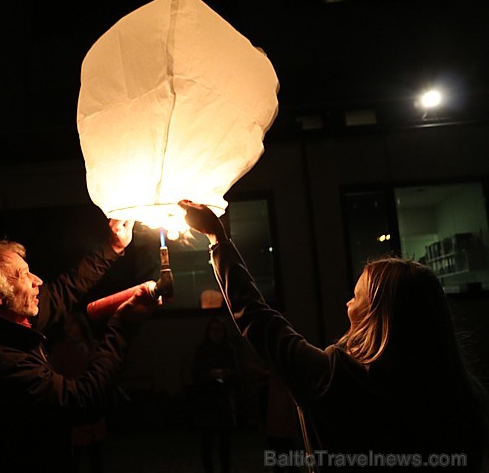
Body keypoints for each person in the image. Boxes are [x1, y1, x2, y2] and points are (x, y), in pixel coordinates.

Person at [178, 199, 488, 472]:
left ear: (376, 316)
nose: (347, 304)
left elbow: (257, 317)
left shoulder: (335, 377)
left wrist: (217, 238)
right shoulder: (464, 398)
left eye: (356, 298)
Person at [0, 219, 161, 472]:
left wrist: (113, 247)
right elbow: (83, 402)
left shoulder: (13, 323)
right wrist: (123, 323)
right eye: (22, 276)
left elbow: (67, 288)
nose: (37, 280)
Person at [49, 312, 107, 473]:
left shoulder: (92, 347)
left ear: (80, 325)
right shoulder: (60, 349)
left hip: (92, 406)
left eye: (72, 324)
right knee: (73, 455)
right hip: (72, 406)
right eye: (66, 324)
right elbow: (54, 376)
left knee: (95, 455)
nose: (68, 328)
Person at [191, 317, 242, 473]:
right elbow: (196, 374)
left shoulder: (229, 350)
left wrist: (224, 374)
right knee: (206, 444)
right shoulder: (201, 350)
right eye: (213, 330)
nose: (216, 334)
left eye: (219, 330)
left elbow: (238, 373)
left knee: (225, 443)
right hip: (206, 401)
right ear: (208, 332)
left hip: (224, 401)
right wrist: (210, 375)